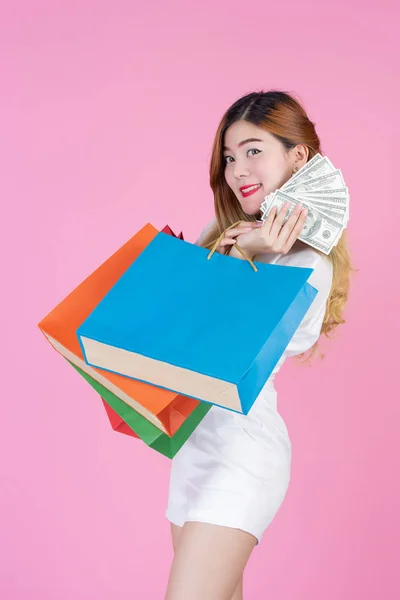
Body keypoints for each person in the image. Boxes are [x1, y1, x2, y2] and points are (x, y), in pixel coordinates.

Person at [164, 90, 352, 600]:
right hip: (194, 451)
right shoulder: (220, 237)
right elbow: (175, 336)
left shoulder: (309, 263)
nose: (237, 169)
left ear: (299, 157)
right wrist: (240, 243)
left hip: (242, 456)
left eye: (253, 150)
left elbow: (230, 352)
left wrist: (249, 249)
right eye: (228, 157)